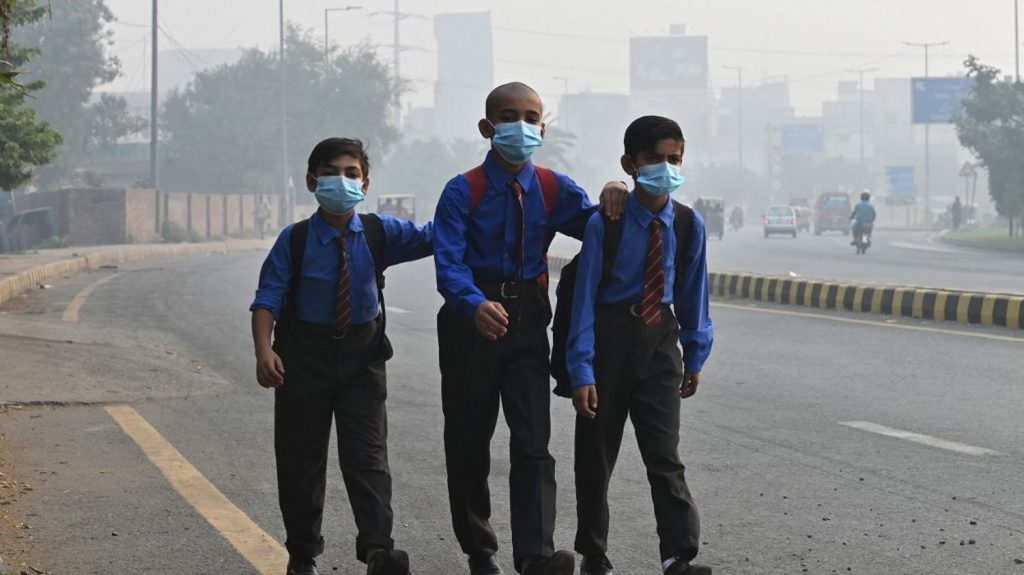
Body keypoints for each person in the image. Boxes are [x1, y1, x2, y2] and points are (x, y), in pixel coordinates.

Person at [433, 82, 628, 575]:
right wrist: (474, 303)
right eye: (507, 115)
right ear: (487, 128)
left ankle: (535, 556)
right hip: (469, 326)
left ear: (542, 128)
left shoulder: (551, 187)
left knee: (534, 443)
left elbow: (596, 226)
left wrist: (616, 191)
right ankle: (479, 550)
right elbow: (448, 262)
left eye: (530, 116)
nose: (520, 125)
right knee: (468, 441)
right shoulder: (462, 190)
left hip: (527, 323)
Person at [250, 138, 433, 575]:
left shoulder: (379, 233)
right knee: (300, 459)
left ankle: (378, 550)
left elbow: (436, 236)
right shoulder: (294, 240)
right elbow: (267, 299)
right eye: (332, 172)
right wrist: (263, 351)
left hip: (361, 357)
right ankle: (302, 552)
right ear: (312, 181)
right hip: (303, 356)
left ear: (365, 183)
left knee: (368, 457)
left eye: (352, 173)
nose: (342, 180)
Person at [566, 116, 713, 575]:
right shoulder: (604, 224)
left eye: (674, 159)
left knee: (664, 456)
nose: (664, 168)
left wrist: (695, 353)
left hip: (660, 343)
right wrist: (582, 371)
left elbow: (694, 294)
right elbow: (584, 300)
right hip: (610, 339)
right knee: (596, 455)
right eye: (654, 159)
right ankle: (593, 552)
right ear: (630, 163)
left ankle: (678, 555)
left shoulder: (688, 224)